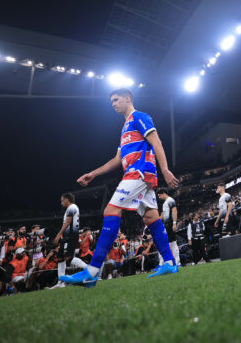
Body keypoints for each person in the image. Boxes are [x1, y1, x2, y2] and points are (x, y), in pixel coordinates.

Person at [60, 88, 179, 288]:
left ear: (128, 98)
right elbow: (117, 160)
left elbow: (156, 141)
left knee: (110, 210)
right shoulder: (124, 128)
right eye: (111, 101)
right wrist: (94, 173)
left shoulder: (139, 117)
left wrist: (165, 169)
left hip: (139, 172)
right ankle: (169, 262)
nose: (113, 104)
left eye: (116, 99)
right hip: (137, 174)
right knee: (151, 217)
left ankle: (92, 271)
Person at [50, 192, 89, 288]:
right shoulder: (69, 209)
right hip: (67, 236)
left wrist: (58, 234)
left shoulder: (72, 208)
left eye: (62, 200)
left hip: (71, 236)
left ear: (67, 199)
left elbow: (67, 223)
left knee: (68, 258)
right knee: (60, 258)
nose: (61, 202)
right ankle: (61, 282)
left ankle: (90, 270)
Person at [157, 188, 180, 266]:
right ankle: (165, 263)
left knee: (173, 243)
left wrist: (174, 223)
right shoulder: (165, 203)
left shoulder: (170, 200)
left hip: (170, 224)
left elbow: (174, 211)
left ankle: (177, 262)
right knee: (166, 243)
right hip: (166, 225)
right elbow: (163, 214)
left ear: (164, 193)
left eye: (160, 195)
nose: (159, 197)